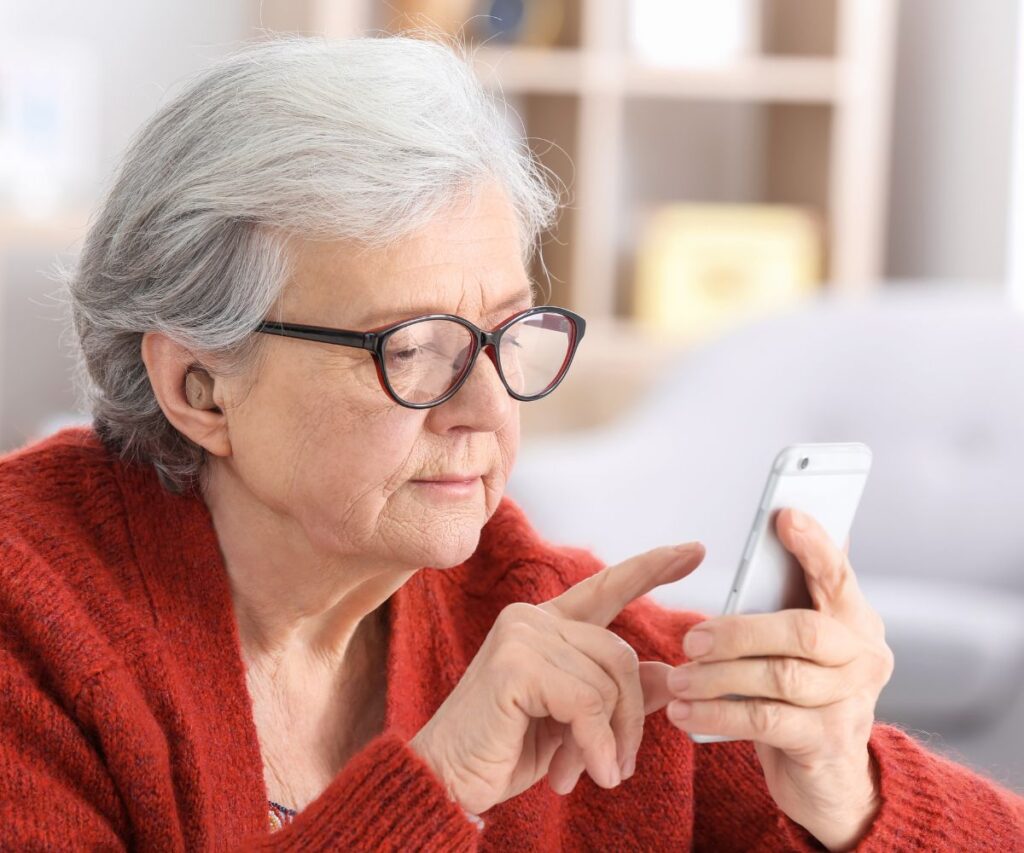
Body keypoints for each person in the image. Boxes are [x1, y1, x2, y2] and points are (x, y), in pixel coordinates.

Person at [0, 36, 1021, 851]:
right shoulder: (30, 619)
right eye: (416, 347)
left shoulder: (531, 608)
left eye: (506, 333)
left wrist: (846, 790)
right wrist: (438, 784)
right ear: (200, 385)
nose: (486, 409)